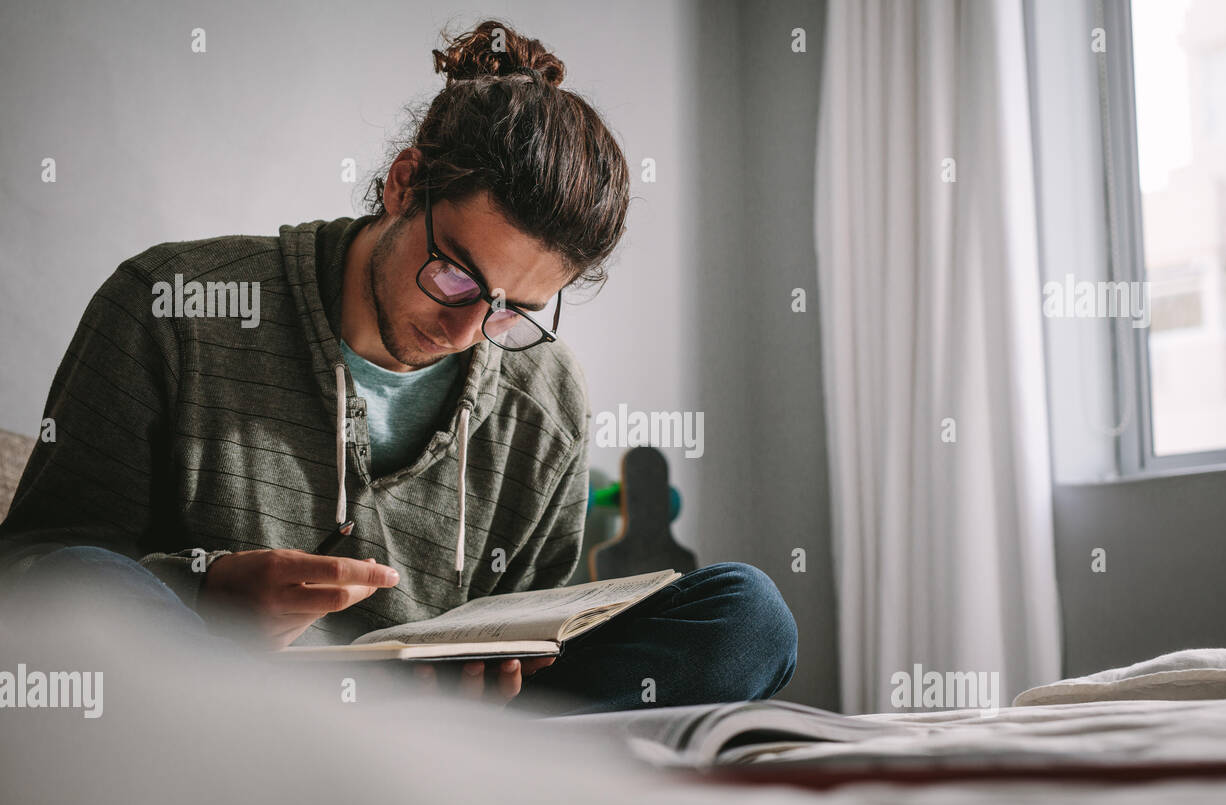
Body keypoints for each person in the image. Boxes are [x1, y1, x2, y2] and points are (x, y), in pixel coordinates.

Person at [0, 19, 796, 715]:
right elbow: (37, 566)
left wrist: (504, 664)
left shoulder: (544, 395)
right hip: (218, 694)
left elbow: (535, 619)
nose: (469, 330)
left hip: (429, 723)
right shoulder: (171, 304)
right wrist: (202, 594)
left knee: (748, 616)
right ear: (404, 182)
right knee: (83, 580)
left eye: (513, 309)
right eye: (456, 276)